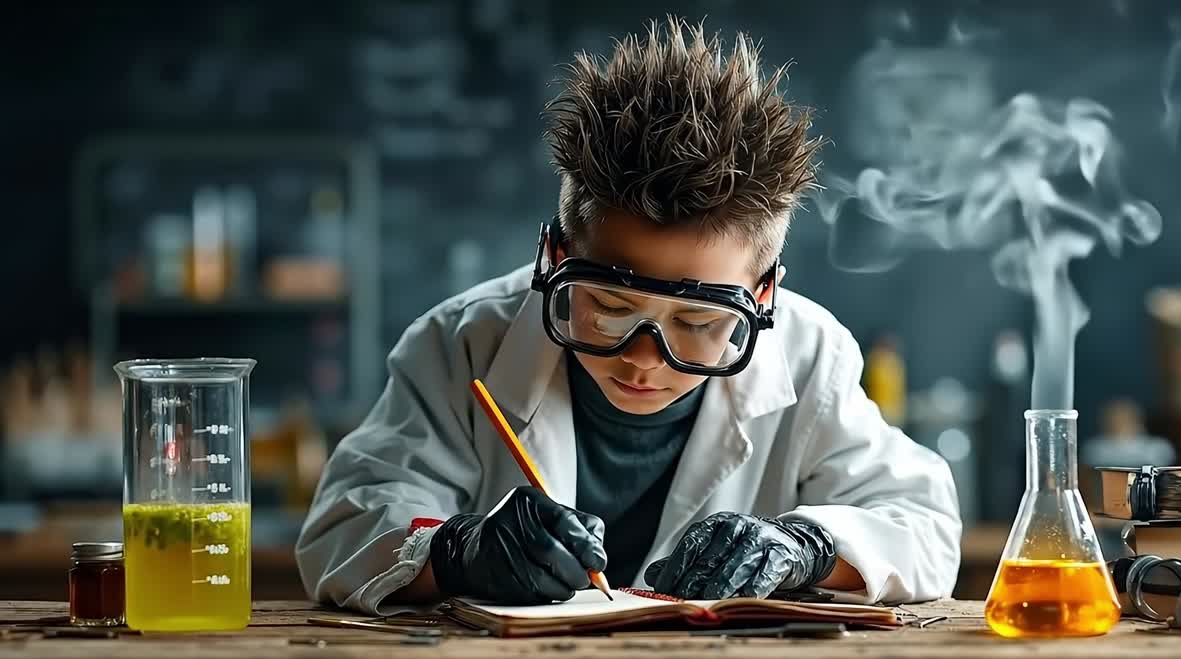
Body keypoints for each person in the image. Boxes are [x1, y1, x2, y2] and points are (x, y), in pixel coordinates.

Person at [296, 16, 962, 614]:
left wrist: (804, 546)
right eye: (610, 308)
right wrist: (459, 552)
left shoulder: (811, 353)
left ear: (762, 298)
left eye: (700, 324)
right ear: (555, 259)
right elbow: (341, 533)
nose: (644, 358)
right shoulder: (462, 343)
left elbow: (923, 526)